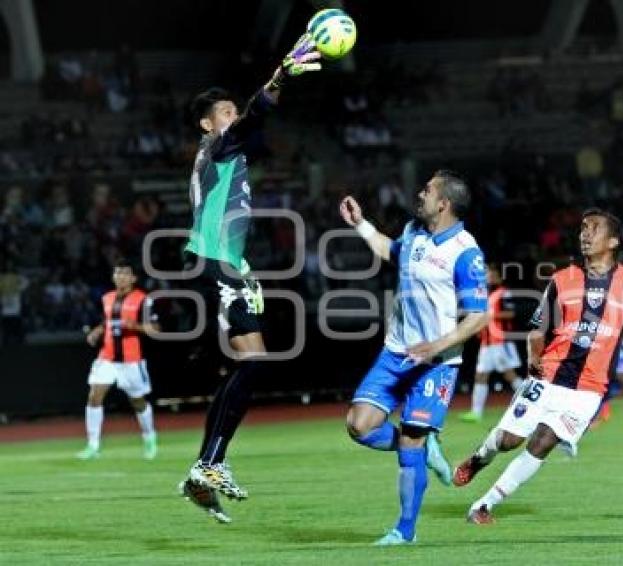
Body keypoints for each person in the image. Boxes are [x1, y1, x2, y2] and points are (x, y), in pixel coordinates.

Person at [177, 34, 321, 524]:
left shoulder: (229, 154)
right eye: (225, 111)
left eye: (233, 110)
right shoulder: (215, 149)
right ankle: (210, 462)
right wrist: (281, 74)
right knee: (254, 363)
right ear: (206, 123)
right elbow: (257, 115)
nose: (233, 116)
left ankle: (207, 465)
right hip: (214, 261)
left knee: (248, 364)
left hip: (227, 264)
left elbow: (261, 122)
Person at [451, 208, 623, 524]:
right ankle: (479, 458)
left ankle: (483, 505)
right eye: (582, 228)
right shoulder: (563, 280)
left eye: (594, 228)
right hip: (548, 376)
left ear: (614, 240)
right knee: (509, 440)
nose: (585, 234)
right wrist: (533, 357)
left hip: (589, 388)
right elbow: (537, 327)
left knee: (543, 443)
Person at [339, 170, 490, 545]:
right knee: (358, 426)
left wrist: (437, 345)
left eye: (427, 190)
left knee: (410, 443)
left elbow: (479, 316)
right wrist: (361, 225)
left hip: (436, 364)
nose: (419, 194)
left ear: (444, 204)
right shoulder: (412, 232)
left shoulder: (465, 251)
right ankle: (426, 444)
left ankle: (404, 531)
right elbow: (390, 251)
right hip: (396, 352)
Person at [77, 260, 159, 461]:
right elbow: (108, 321)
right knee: (94, 395)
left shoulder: (143, 300)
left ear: (133, 278)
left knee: (137, 401)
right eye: (117, 273)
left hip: (131, 360)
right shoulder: (107, 298)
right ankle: (93, 445)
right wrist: (98, 330)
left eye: (125, 273)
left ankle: (149, 437)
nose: (120, 277)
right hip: (107, 357)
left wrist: (135, 326)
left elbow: (155, 329)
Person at [460, 264, 523, 423]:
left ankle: (533, 404)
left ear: (498, 277)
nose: (488, 277)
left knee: (509, 375)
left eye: (491, 275)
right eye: (486, 275)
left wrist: (489, 315)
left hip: (500, 342)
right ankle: (476, 413)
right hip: (486, 343)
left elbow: (510, 313)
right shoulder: (484, 295)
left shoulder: (503, 293)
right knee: (480, 375)